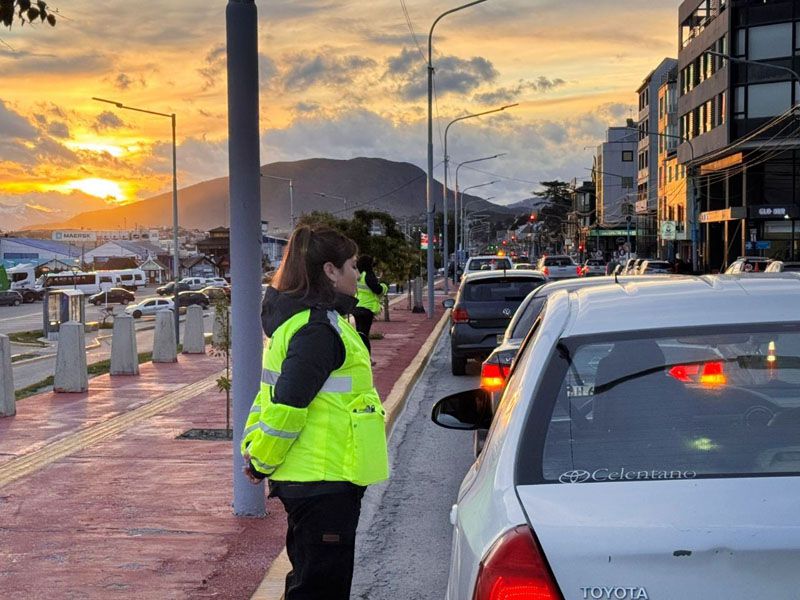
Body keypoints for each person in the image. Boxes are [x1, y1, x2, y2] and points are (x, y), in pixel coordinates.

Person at [240, 225, 389, 600]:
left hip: (323, 478)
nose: (358, 274)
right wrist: (261, 460)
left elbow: (269, 398)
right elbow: (287, 405)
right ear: (330, 271)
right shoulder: (316, 330)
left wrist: (257, 453)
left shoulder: (320, 322)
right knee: (320, 590)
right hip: (322, 482)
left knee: (311, 582)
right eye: (352, 265)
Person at [353, 254, 388, 355]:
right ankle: (366, 356)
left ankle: (360, 354)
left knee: (359, 333)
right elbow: (378, 290)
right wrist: (384, 286)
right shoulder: (368, 275)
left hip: (357, 307)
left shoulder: (358, 275)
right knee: (364, 335)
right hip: (366, 309)